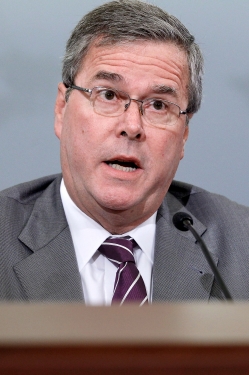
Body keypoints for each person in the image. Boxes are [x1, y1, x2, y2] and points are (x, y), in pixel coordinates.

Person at [1, 0, 249, 304]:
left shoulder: (242, 245)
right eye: (108, 95)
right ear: (62, 109)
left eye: (158, 105)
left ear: (184, 135)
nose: (132, 126)